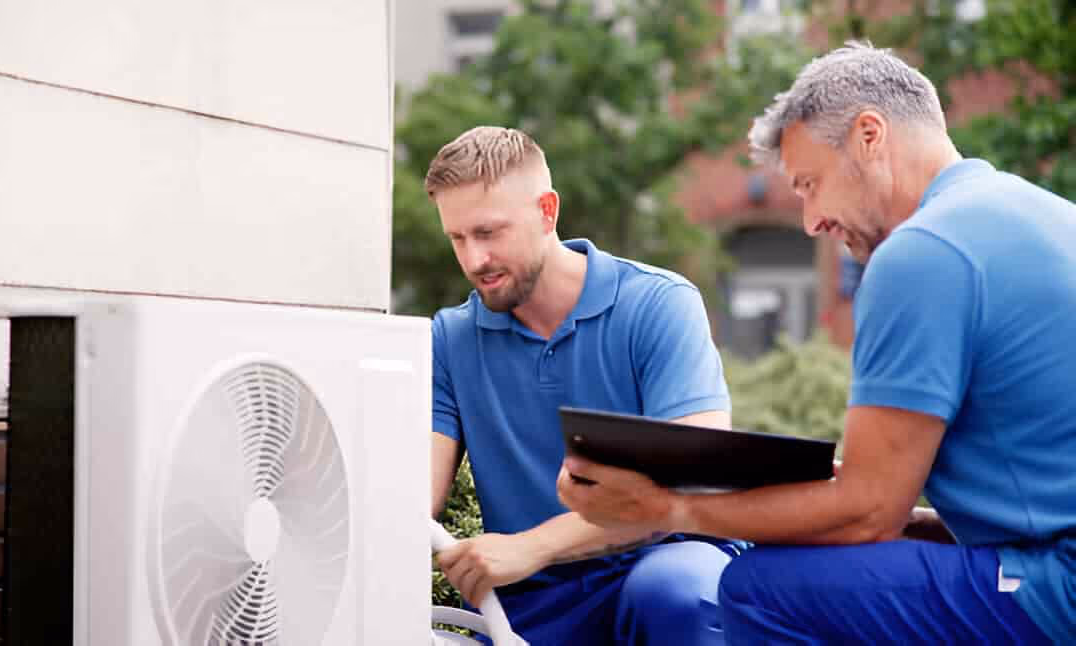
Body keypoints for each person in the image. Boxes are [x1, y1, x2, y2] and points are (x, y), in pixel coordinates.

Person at [558, 41, 1075, 645]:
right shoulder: (1044, 214)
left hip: (1055, 589)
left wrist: (668, 511)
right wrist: (857, 505)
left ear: (869, 136)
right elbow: (904, 507)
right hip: (1048, 566)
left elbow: (865, 514)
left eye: (810, 183)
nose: (810, 221)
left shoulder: (922, 253)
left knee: (762, 586)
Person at [426, 126, 738, 645]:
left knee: (675, 589)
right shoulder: (451, 338)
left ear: (547, 211)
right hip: (529, 601)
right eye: (458, 238)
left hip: (662, 568)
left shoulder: (659, 305)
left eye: (489, 233)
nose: (474, 259)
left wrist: (535, 544)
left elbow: (695, 477)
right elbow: (413, 495)